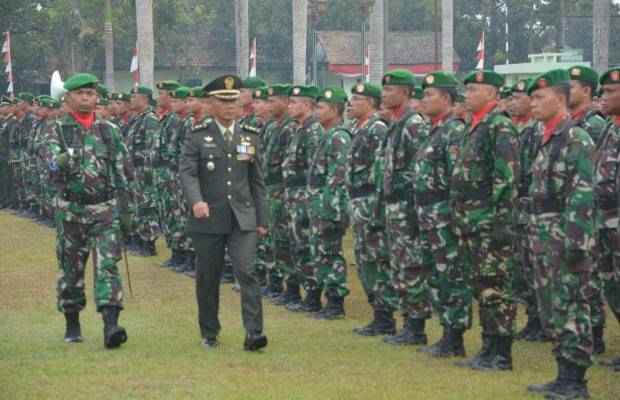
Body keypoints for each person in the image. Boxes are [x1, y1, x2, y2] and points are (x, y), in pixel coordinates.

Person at [39, 73, 129, 349]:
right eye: (80, 94)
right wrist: (64, 157)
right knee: (71, 270)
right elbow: (49, 166)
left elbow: (122, 170)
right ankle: (72, 324)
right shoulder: (56, 130)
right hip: (71, 211)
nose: (86, 98)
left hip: (105, 210)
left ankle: (111, 326)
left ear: (96, 97)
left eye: (90, 94)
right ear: (67, 98)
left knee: (108, 267)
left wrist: (127, 209)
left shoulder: (109, 131)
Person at [179, 74, 268, 351]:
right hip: (208, 217)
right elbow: (188, 173)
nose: (230, 107)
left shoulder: (250, 135)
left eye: (233, 101)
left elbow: (257, 181)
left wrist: (262, 219)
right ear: (211, 104)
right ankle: (209, 332)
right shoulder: (198, 135)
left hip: (243, 216)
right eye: (223, 101)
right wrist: (196, 201)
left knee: (247, 271)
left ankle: (254, 332)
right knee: (208, 276)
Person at [526, 69, 595, 400]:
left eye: (540, 97)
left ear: (560, 98)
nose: (533, 103)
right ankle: (563, 374)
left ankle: (575, 381)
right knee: (552, 304)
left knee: (571, 304)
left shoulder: (575, 138)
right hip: (543, 234)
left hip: (564, 237)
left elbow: (582, 194)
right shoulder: (547, 137)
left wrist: (576, 244)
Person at [451, 70, 519, 371]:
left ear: (492, 93)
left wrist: (499, 222)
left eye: (474, 90)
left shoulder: (499, 126)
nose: (467, 95)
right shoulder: (475, 126)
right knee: (480, 284)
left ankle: (501, 352)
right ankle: (489, 346)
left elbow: (506, 178)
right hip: (471, 221)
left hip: (489, 222)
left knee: (496, 286)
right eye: (466, 90)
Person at [414, 72, 469, 358]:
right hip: (428, 214)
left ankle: (454, 336)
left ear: (446, 98)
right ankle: (446, 331)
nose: (423, 100)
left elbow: (457, 179)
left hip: (444, 215)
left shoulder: (454, 131)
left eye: (429, 95)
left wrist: (453, 217)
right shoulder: (433, 130)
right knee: (436, 275)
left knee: (451, 275)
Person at [379, 69, 431, 346]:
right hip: (394, 207)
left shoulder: (414, 125)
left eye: (390, 90)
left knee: (411, 265)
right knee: (399, 264)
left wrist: (412, 207)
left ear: (406, 93)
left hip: (407, 207)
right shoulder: (397, 124)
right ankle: (407, 322)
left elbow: (420, 169)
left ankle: (416, 325)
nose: (385, 94)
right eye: (384, 89)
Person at [346, 82, 393, 335]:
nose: (351, 103)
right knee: (364, 258)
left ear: (371, 103)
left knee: (376, 257)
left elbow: (380, 170)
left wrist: (376, 207)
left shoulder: (377, 129)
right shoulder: (358, 128)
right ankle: (378, 313)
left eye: (357, 99)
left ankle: (385, 316)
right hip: (357, 201)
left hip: (370, 201)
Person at [568, 65, 608, 355]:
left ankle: (595, 334)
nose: (566, 91)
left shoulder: (593, 125)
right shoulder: (573, 122)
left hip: (594, 211)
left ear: (586, 90)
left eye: (572, 86)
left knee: (591, 276)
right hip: (585, 211)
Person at [307, 87, 352, 319]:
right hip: (320, 204)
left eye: (321, 107)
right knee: (321, 252)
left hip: (330, 207)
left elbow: (338, 176)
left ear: (334, 110)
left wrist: (330, 210)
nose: (316, 111)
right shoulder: (327, 134)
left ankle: (336, 302)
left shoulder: (339, 137)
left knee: (330, 252)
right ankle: (327, 299)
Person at [280, 85, 323, 310]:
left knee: (307, 245)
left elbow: (314, 168)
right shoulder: (298, 129)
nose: (290, 106)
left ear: (307, 105)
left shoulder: (313, 131)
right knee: (295, 244)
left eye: (294, 103)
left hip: (304, 196)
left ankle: (313, 295)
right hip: (292, 196)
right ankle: (297, 290)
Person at [262, 84, 295, 299]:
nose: (268, 105)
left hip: (281, 191)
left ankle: (288, 286)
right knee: (271, 238)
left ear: (285, 102)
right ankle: (273, 281)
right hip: (268, 189)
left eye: (272, 101)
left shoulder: (289, 129)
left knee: (283, 240)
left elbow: (290, 165)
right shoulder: (272, 127)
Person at [598, 67, 620, 372]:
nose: (604, 97)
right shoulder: (610, 129)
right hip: (606, 222)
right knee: (612, 285)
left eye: (610, 92)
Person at [124, 85, 161, 256]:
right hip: (135, 170)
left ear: (144, 99)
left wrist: (147, 174)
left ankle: (149, 243)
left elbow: (152, 148)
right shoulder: (137, 119)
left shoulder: (150, 119)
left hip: (145, 172)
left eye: (134, 97)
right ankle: (140, 239)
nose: (131, 100)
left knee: (147, 207)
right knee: (138, 207)